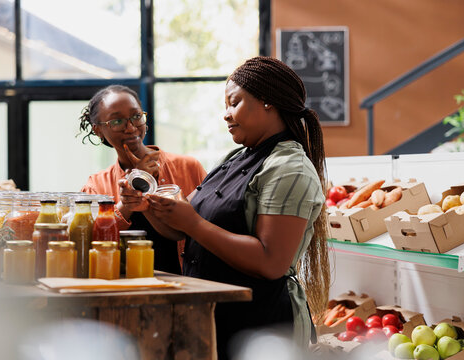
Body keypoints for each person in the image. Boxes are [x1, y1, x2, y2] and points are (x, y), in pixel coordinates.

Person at [120, 56, 331, 358]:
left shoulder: (289, 168)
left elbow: (270, 262)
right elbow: (177, 226)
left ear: (268, 101)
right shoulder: (235, 158)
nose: (226, 115)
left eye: (234, 103)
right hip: (216, 317)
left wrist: (192, 223)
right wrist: (146, 203)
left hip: (262, 327)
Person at [78, 85, 207, 274]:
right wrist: (126, 202)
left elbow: (207, 227)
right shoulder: (95, 186)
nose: (130, 127)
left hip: (187, 285)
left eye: (136, 116)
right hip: (124, 289)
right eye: (117, 121)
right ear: (98, 130)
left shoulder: (188, 167)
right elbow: (93, 245)